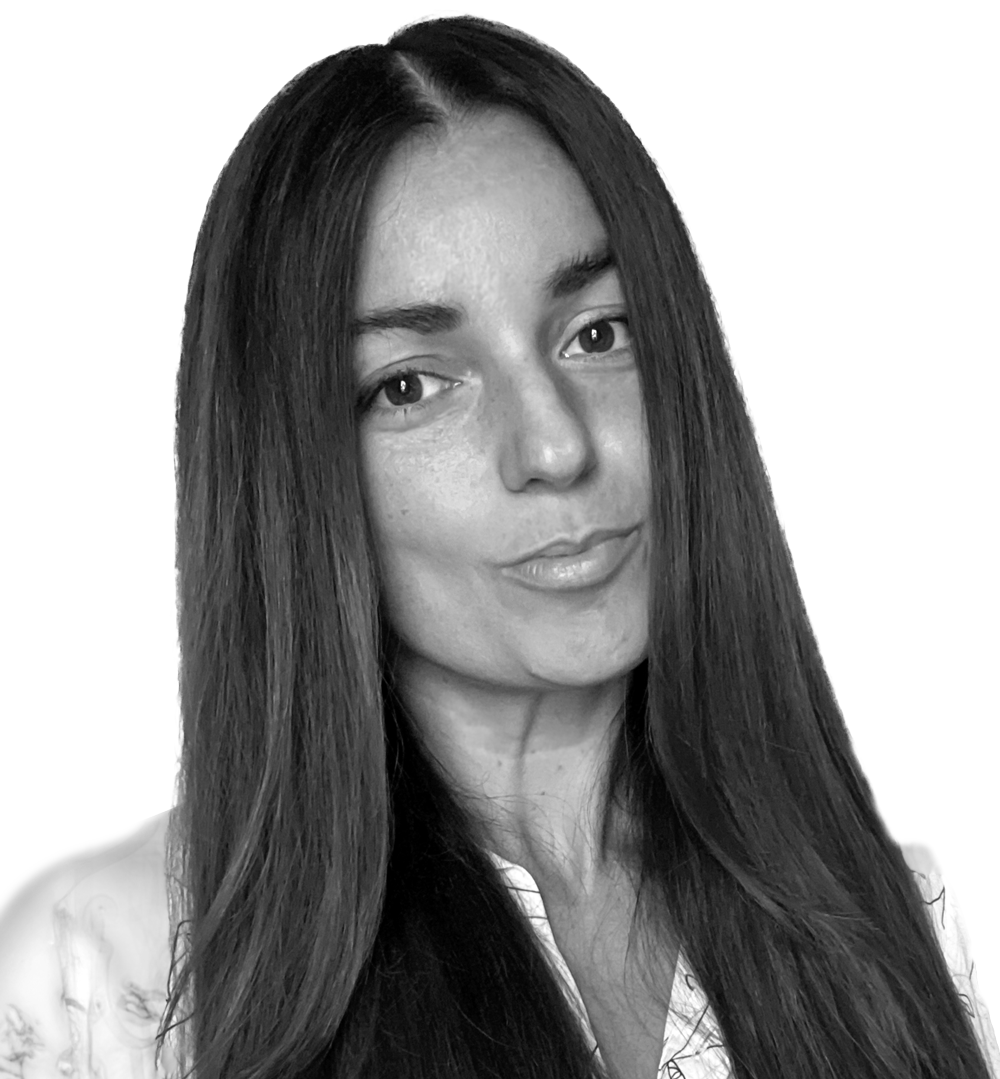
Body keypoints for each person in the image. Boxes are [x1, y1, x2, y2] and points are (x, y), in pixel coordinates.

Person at [0, 10, 996, 1079]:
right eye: (412, 385)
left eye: (598, 333)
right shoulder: (100, 974)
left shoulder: (895, 918)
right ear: (291, 472)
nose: (556, 445)